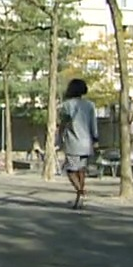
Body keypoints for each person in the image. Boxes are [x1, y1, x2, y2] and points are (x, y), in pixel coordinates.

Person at [57, 78, 98, 210]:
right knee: (81, 170)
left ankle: (80, 191)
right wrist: (95, 138)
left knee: (69, 170)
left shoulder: (66, 105)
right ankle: (80, 198)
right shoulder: (90, 105)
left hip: (73, 141)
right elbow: (93, 124)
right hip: (87, 142)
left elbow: (63, 123)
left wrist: (59, 139)